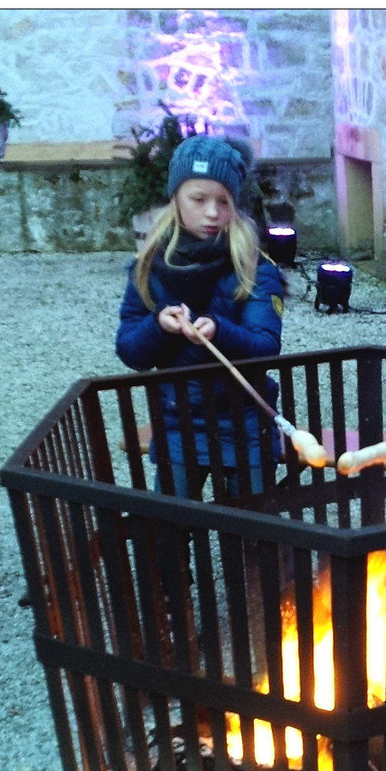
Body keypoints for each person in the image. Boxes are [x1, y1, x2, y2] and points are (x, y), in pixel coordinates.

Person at [116, 134, 286, 500]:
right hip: (178, 424)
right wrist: (158, 325)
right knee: (168, 531)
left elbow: (266, 346)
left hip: (244, 422)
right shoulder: (147, 268)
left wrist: (220, 331)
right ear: (175, 197)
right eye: (198, 199)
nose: (212, 213)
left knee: (255, 533)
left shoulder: (254, 269)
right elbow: (130, 352)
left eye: (223, 201)